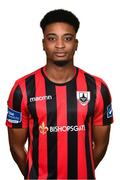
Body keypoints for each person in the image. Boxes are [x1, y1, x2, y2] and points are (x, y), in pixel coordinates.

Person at [6, 9, 113, 180]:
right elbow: (16, 147)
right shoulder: (23, 89)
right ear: (43, 44)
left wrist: (81, 172)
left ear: (76, 44)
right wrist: (35, 176)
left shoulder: (98, 89)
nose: (60, 45)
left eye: (67, 38)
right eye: (52, 38)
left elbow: (101, 145)